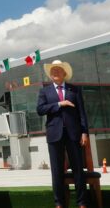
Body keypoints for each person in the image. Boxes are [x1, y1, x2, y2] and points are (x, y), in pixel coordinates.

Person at [37, 60, 88, 208]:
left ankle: (82, 202)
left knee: (78, 168)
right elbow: (40, 110)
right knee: (57, 170)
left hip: (74, 134)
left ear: (64, 73)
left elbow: (82, 113)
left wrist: (84, 132)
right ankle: (59, 202)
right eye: (53, 70)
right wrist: (60, 104)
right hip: (54, 134)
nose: (55, 72)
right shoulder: (44, 91)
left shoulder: (74, 90)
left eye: (58, 70)